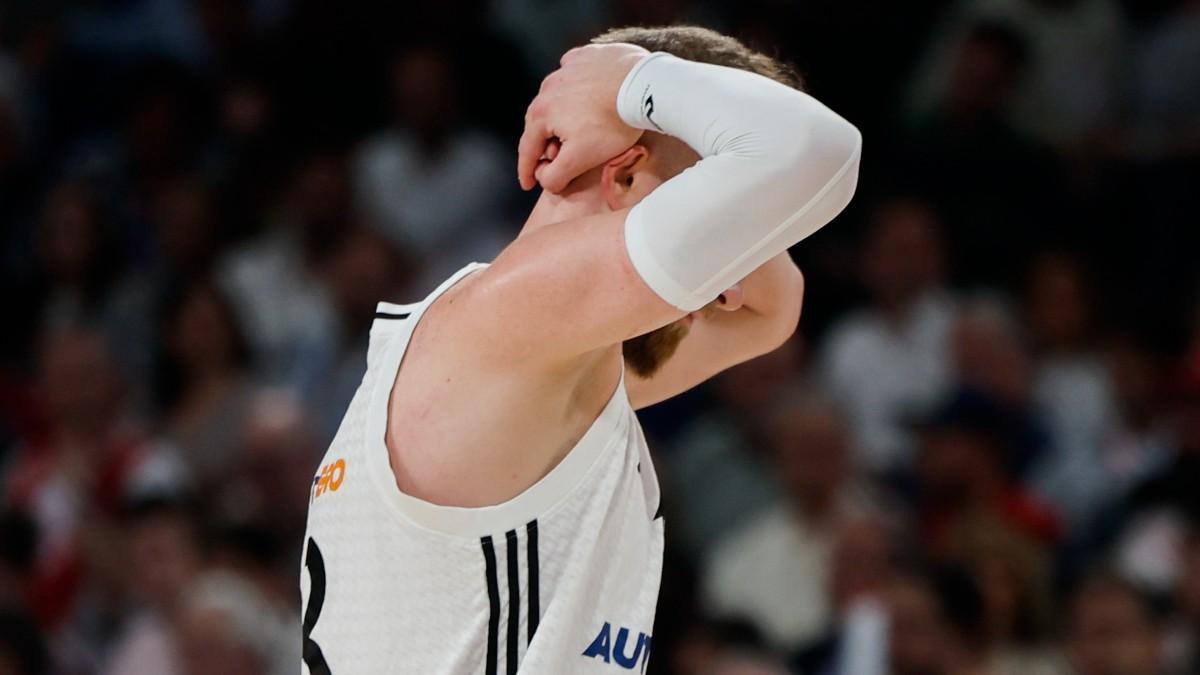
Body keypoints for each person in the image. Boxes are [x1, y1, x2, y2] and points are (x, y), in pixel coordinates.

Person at [299, 24, 861, 674]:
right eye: (715, 211)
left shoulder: (547, 368)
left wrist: (718, 220)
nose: (723, 260)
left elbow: (773, 309)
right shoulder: (510, 323)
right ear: (624, 173)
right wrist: (631, 82)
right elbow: (823, 151)